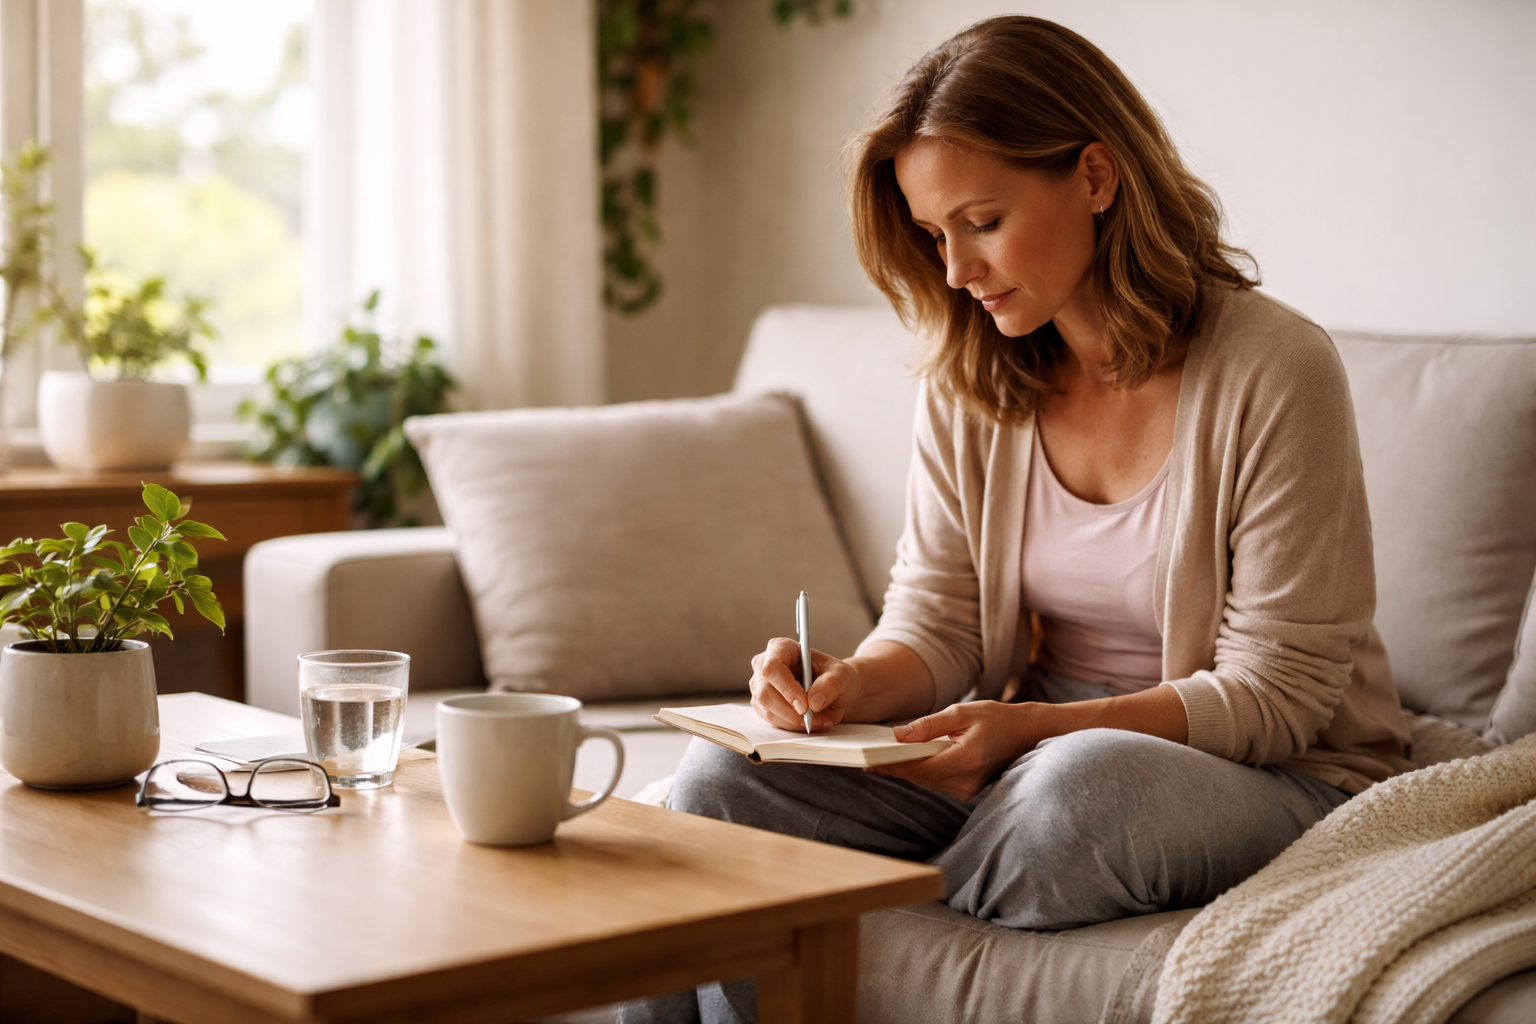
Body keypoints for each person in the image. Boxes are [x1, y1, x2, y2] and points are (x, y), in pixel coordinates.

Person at [622, 14, 1413, 1024]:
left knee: (1075, 796)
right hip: (1022, 760)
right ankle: (860, 882)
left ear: (1094, 176)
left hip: (1256, 767)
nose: (955, 271)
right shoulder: (972, 371)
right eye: (933, 235)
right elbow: (941, 614)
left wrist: (1033, 731)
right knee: (718, 780)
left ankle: (830, 891)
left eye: (982, 222)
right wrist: (855, 682)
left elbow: (1281, 694)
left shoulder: (1276, 368)